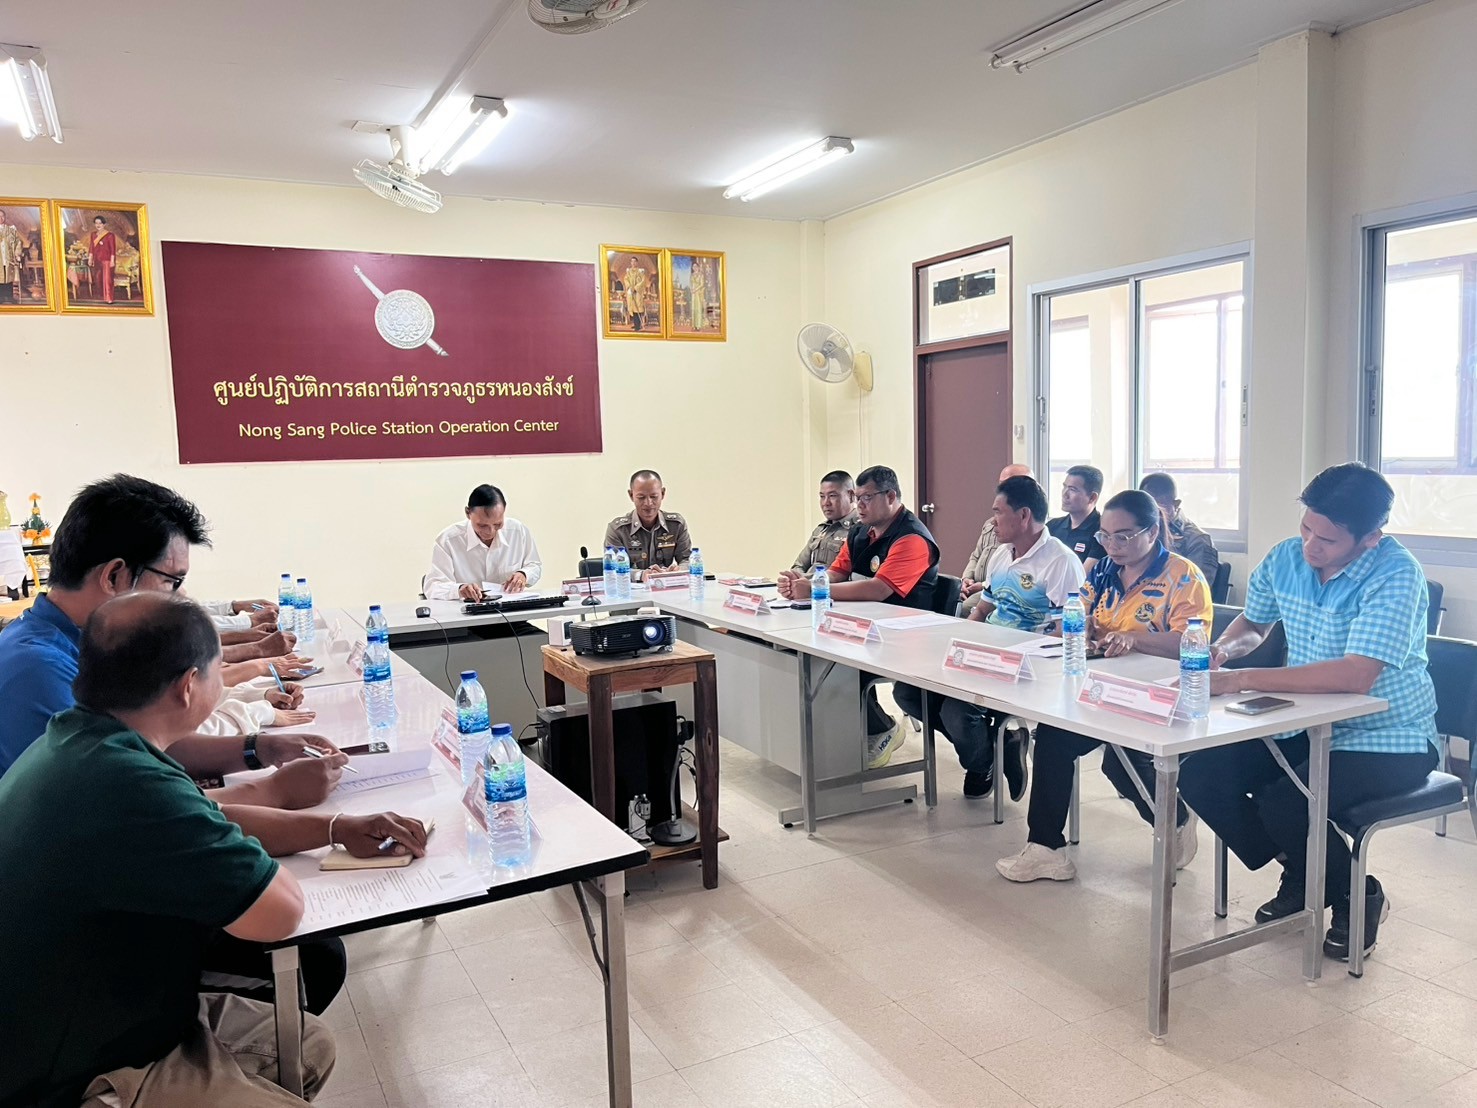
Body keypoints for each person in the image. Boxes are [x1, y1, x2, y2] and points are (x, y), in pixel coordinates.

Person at [0, 592, 349, 1106]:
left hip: (95, 1006)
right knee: (306, 978)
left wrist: (334, 826)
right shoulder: (129, 783)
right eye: (216, 671)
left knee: (307, 1045)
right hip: (75, 1065)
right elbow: (280, 913)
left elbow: (200, 814)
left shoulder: (80, 739)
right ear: (189, 687)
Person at [1176, 463, 1438, 961]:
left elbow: (1355, 675)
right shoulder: (1286, 558)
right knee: (1202, 775)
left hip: (1386, 736)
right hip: (1300, 721)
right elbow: (1254, 624)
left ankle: (1356, 895)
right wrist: (1224, 651)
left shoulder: (1396, 574)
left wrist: (1243, 679)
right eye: (1306, 529)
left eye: (1328, 539)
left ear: (1370, 537)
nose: (1311, 546)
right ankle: (1305, 871)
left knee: (1287, 801)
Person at [996, 489, 1211, 883]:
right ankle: (1046, 848)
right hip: (1103, 687)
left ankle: (1177, 818)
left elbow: (1191, 641)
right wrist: (1081, 626)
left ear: (1152, 532)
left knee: (1119, 764)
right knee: (1055, 737)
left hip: (1160, 695)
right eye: (1106, 536)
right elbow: (1077, 611)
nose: (1112, 545)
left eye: (1123, 536)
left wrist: (1134, 639)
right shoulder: (1104, 570)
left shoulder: (1183, 577)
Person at [896, 475, 1084, 799]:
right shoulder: (1001, 555)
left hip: (1027, 666)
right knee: (909, 692)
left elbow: (1065, 632)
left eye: (998, 512)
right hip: (987, 655)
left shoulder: (1060, 561)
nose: (992, 520)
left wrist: (1012, 656)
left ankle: (981, 761)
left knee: (955, 711)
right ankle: (995, 750)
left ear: (1023, 515)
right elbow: (983, 610)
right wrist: (959, 644)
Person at [777, 464, 940, 769]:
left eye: (866, 498)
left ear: (890, 496)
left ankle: (882, 728)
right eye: (858, 497)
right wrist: (806, 583)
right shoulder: (860, 532)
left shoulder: (911, 537)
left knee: (834, 663)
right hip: (865, 626)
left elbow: (879, 589)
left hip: (903, 635)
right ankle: (833, 743)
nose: (859, 505)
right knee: (809, 654)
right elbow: (837, 573)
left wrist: (815, 591)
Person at [425, 484, 543, 601]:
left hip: (510, 608)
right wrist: (459, 589)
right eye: (482, 525)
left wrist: (524, 574)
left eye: (497, 524)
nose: (490, 531)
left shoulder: (517, 531)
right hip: (467, 610)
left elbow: (534, 565)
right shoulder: (448, 540)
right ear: (468, 513)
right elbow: (433, 586)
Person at [961, 463, 1034, 613]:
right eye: (1002, 484)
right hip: (975, 586)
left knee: (965, 608)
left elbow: (1017, 574)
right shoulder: (990, 524)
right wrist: (966, 580)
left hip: (996, 588)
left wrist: (982, 585)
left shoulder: (1028, 529)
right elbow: (975, 556)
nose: (1004, 489)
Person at [604, 469, 692, 580]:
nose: (648, 503)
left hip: (666, 585)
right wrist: (641, 575)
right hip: (632, 588)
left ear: (662, 493)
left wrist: (679, 570)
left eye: (654, 496)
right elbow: (613, 567)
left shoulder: (676, 525)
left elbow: (687, 559)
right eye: (641, 497)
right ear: (631, 495)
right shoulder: (618, 530)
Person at [1140, 472, 1221, 585]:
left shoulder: (1197, 540)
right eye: (1147, 508)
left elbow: (1196, 588)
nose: (1153, 514)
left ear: (1176, 504)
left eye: (1159, 507)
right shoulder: (1138, 533)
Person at [791, 470, 859, 573]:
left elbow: (849, 575)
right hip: (808, 582)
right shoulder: (820, 530)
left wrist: (807, 580)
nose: (826, 503)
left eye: (832, 496)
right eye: (822, 497)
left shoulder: (860, 529)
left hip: (832, 582)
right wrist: (796, 578)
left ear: (851, 495)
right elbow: (798, 566)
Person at [1047, 464, 1107, 571]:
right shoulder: (1052, 526)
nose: (1065, 494)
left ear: (1092, 497)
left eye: (1072, 489)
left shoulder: (1102, 532)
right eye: (1064, 487)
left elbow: (1083, 576)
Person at [88, 214, 118, 304]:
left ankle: (109, 298)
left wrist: (112, 261)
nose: (98, 225)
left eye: (100, 223)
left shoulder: (110, 235)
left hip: (107, 260)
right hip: (97, 259)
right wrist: (90, 259)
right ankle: (102, 296)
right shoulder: (93, 235)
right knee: (98, 278)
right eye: (96, 223)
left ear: (104, 224)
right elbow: (91, 247)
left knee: (107, 279)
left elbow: (113, 249)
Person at [0, 208, 23, 304]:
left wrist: (17, 254)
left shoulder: (11, 230)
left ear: (5, 217)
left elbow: (18, 242)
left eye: (2, 216)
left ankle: (8, 297)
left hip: (8, 258)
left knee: (8, 276)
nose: (0, 218)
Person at [622, 257, 650, 332]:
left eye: (634, 261)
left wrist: (636, 288)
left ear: (637, 262)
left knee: (637, 308)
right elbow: (626, 279)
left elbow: (643, 281)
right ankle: (636, 324)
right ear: (630, 263)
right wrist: (629, 287)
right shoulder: (629, 272)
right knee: (632, 308)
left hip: (637, 293)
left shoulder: (640, 272)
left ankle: (638, 325)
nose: (633, 263)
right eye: (632, 261)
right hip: (631, 292)